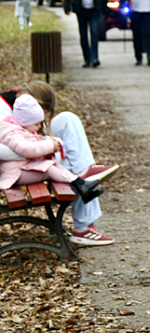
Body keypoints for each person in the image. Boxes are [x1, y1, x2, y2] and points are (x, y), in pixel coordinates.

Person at [0, 82, 119, 245]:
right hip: (20, 165)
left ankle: (86, 171)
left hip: (33, 151)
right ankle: (83, 226)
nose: (40, 124)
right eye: (37, 119)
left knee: (68, 119)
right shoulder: (2, 108)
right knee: (70, 165)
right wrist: (46, 144)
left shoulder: (18, 101)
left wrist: (45, 141)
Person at [0, 95, 103, 205]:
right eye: (37, 124)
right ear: (26, 122)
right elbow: (27, 149)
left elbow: (35, 143)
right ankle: (79, 183)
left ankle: (82, 186)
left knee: (53, 164)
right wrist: (50, 146)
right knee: (48, 169)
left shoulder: (24, 129)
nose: (39, 127)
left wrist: (52, 142)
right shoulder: (13, 133)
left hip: (24, 166)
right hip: (15, 173)